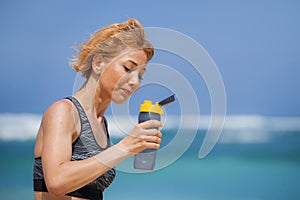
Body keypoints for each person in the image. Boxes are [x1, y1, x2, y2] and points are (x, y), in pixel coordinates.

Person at [33, 18, 163, 200]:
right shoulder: (63, 112)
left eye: (140, 75)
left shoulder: (101, 123)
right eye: (128, 68)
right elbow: (56, 182)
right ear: (98, 63)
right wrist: (125, 147)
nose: (135, 82)